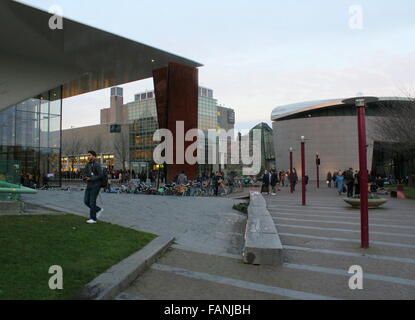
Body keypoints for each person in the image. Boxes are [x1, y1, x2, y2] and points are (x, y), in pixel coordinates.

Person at [83, 151, 104, 224]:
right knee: (86, 201)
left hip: (96, 186)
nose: (88, 157)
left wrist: (91, 178)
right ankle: (98, 209)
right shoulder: (87, 164)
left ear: (94, 156)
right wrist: (84, 177)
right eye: (87, 155)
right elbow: (85, 173)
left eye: (89, 155)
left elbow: (100, 175)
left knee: (92, 202)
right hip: (89, 185)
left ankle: (93, 219)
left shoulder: (97, 164)